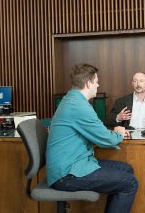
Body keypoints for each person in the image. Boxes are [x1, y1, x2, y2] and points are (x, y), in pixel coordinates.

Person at [46, 63, 138, 213]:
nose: (98, 85)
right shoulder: (79, 106)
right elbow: (105, 139)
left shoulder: (72, 99)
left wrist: (112, 133)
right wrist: (119, 133)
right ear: (88, 84)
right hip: (66, 174)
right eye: (96, 81)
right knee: (130, 182)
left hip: (74, 163)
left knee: (126, 170)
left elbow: (96, 130)